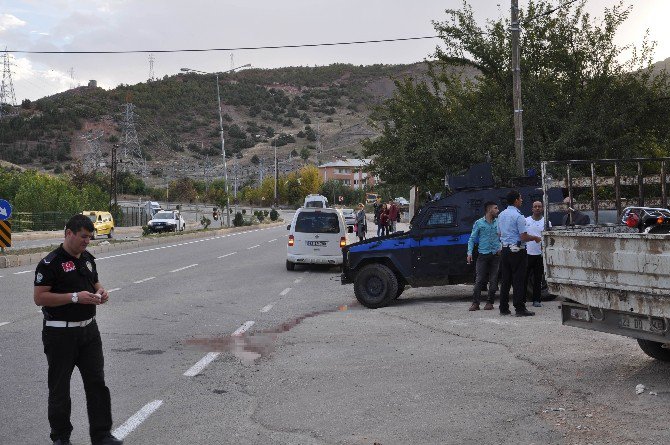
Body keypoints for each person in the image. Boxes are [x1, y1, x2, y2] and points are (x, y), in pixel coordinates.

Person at [34, 214, 123, 445]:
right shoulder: (50, 263)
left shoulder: (87, 259)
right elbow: (40, 297)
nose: (87, 241)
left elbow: (95, 283)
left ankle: (102, 435)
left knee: (97, 384)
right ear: (69, 233)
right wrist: (74, 297)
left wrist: (102, 292)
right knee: (60, 388)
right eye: (83, 237)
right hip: (60, 334)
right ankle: (61, 438)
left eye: (90, 237)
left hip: (89, 333)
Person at [497, 190, 542, 317]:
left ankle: (503, 308)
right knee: (519, 279)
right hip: (517, 251)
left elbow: (499, 233)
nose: (522, 200)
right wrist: (535, 238)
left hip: (505, 250)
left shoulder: (501, 215)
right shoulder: (518, 216)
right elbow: (523, 237)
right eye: (520, 198)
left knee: (506, 280)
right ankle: (520, 308)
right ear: (516, 200)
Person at [466, 201, 502, 311]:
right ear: (489, 210)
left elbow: (503, 235)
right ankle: (475, 303)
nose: (498, 210)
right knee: (479, 279)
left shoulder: (499, 222)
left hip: (495, 255)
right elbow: (472, 239)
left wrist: (501, 246)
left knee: (494, 279)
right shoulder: (479, 223)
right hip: (483, 255)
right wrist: (469, 253)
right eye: (495, 208)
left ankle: (489, 302)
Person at [525, 201, 550, 308]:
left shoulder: (546, 222)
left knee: (538, 278)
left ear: (543, 208)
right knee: (524, 278)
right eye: (535, 206)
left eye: (539, 206)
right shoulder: (526, 221)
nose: (537, 208)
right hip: (527, 254)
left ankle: (536, 300)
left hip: (540, 255)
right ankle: (522, 299)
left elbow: (549, 238)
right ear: (532, 209)